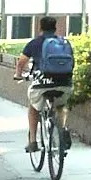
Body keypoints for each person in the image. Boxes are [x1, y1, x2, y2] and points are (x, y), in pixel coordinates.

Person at [14, 16, 73, 153]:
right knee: (61, 105)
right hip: (64, 82)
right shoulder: (63, 43)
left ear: (40, 28)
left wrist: (18, 75)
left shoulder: (35, 43)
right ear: (55, 28)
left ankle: (33, 141)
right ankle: (62, 129)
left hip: (42, 83)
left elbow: (22, 62)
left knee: (33, 108)